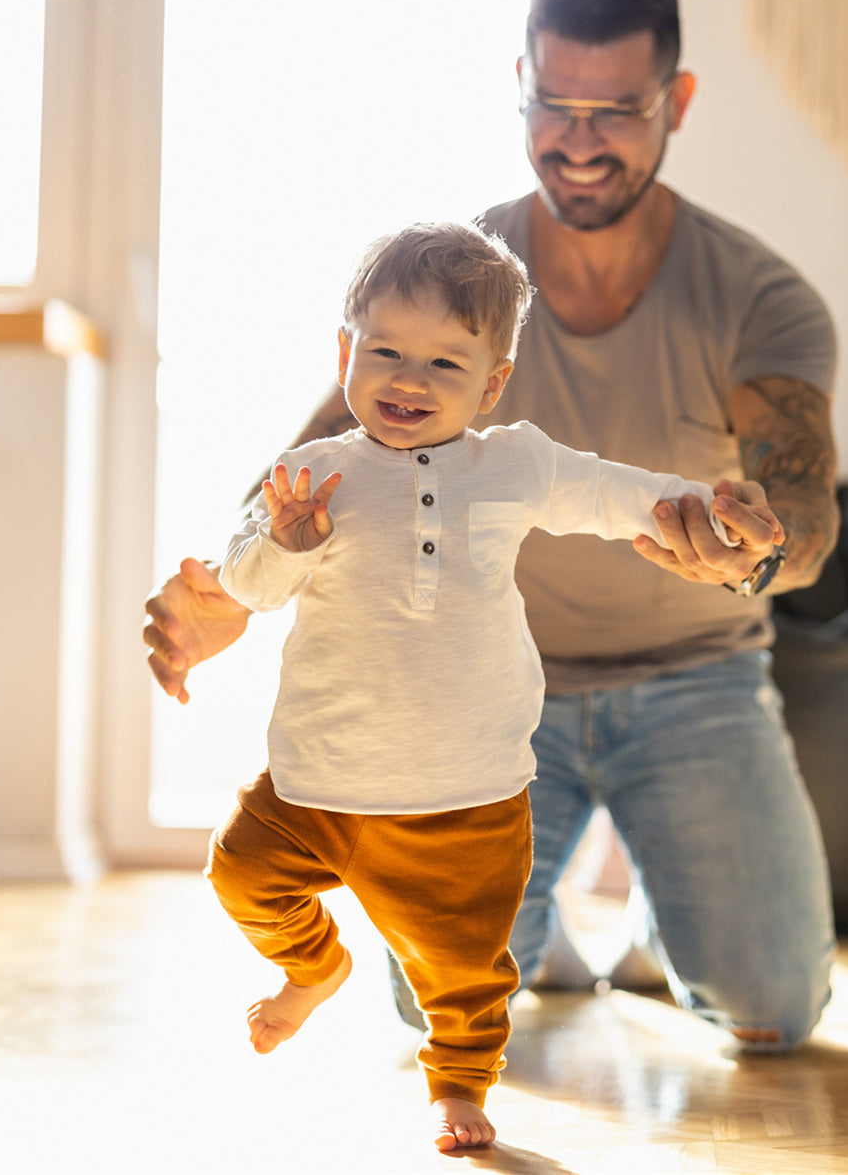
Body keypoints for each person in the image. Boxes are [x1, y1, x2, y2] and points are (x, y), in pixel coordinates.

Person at [146, 0, 840, 1056]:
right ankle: (546, 934)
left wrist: (753, 551)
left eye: (614, 110)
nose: (576, 140)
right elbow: (309, 464)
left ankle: (670, 904)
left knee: (770, 1008)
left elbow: (802, 510)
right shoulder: (454, 282)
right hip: (471, 707)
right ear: (518, 83)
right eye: (551, 106)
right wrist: (232, 584)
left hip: (696, 682)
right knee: (432, 1007)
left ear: (678, 101)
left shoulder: (758, 297)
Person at [206, 219, 776, 1151]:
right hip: (315, 782)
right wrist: (283, 545)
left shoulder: (512, 463)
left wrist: (705, 505)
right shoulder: (313, 476)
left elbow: (613, 492)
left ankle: (460, 1087)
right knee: (240, 873)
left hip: (466, 789)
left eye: (444, 364)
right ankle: (313, 969)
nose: (408, 380)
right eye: (385, 351)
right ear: (344, 352)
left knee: (466, 968)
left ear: (493, 382)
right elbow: (245, 587)